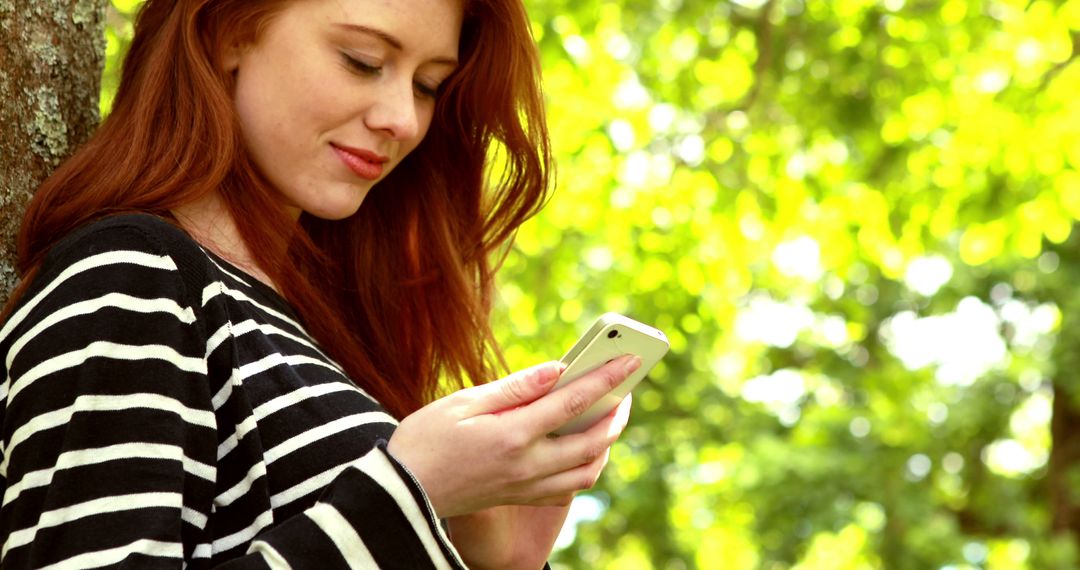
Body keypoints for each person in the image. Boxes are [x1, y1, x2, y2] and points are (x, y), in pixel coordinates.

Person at [0, 0, 639, 567]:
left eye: (427, 84)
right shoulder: (132, 274)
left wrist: (500, 559)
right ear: (228, 31)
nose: (404, 120)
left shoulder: (330, 335)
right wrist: (410, 492)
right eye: (362, 61)